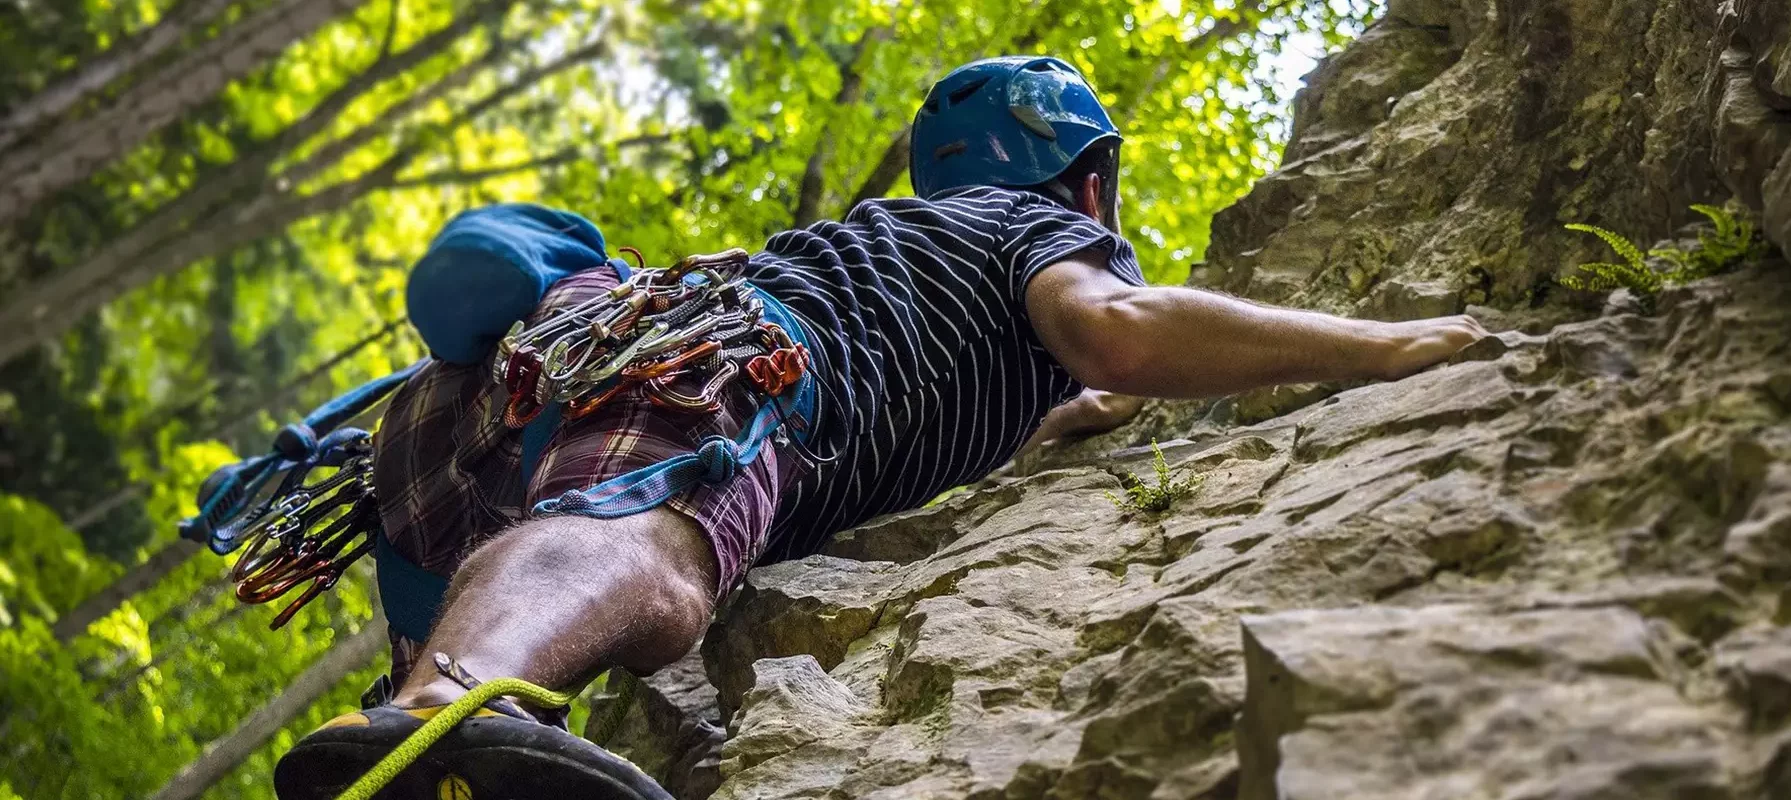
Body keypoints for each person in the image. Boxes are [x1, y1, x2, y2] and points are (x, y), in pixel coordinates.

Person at [275, 55, 1486, 799]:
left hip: (480, 405)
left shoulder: (907, 259)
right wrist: (1391, 343)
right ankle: (438, 716)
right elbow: (1116, 330)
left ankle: (412, 721)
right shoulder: (1036, 230)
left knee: (508, 602)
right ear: (1090, 181)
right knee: (648, 540)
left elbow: (1065, 400)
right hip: (710, 357)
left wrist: (1086, 415)